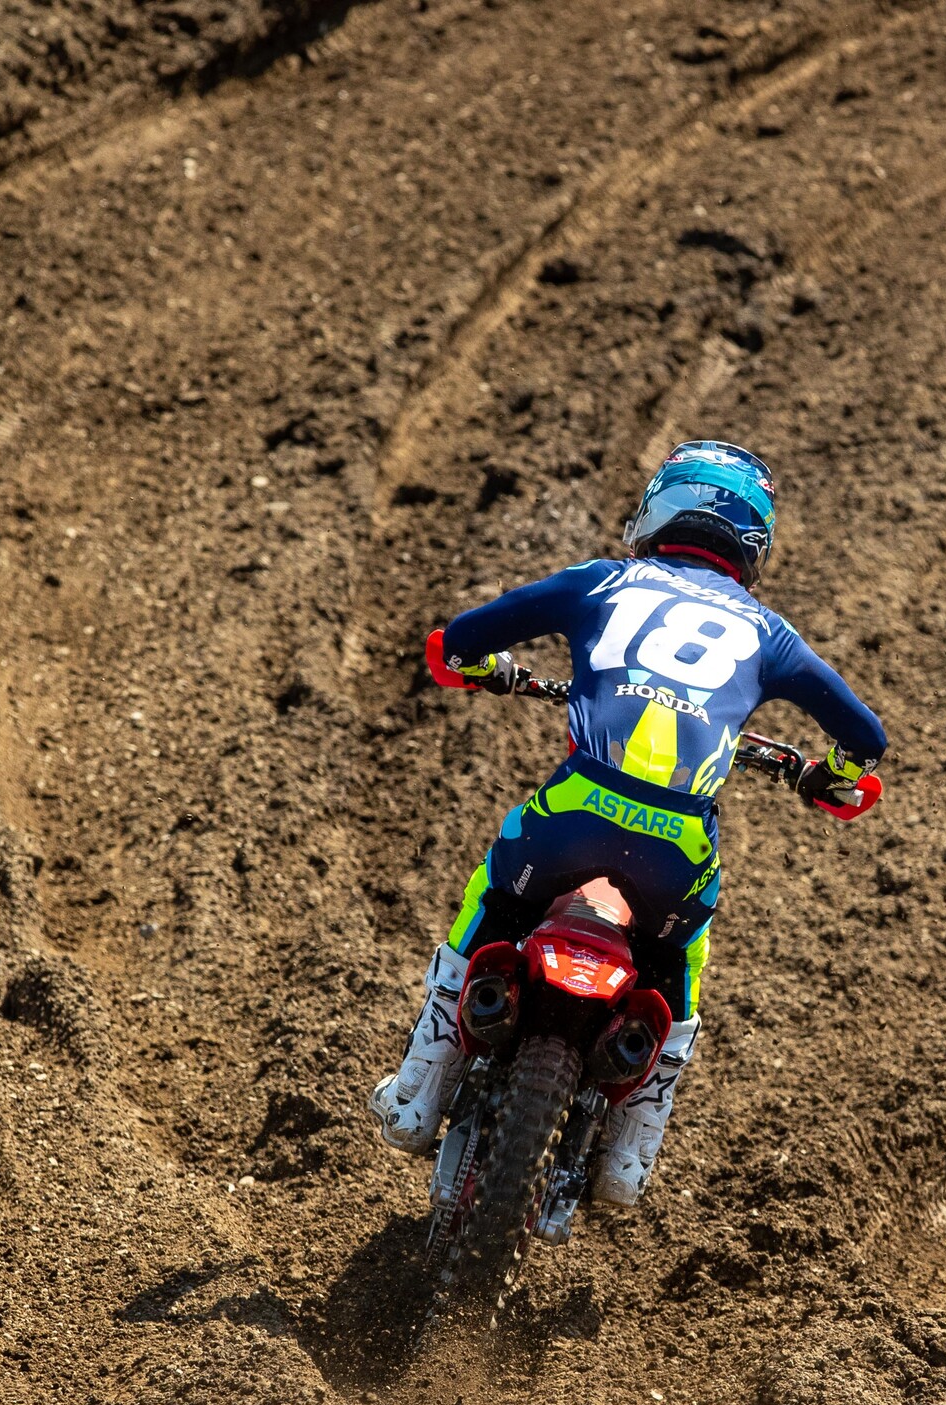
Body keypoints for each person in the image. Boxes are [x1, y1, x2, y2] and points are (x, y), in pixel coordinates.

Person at [370, 441, 888, 1208]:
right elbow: (865, 737)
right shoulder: (768, 633)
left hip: (571, 817)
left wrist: (476, 666)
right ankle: (634, 1140)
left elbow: (463, 638)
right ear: (754, 544)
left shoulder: (603, 582)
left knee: (492, 890)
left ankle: (423, 1081)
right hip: (675, 853)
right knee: (683, 953)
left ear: (659, 511)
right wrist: (832, 779)